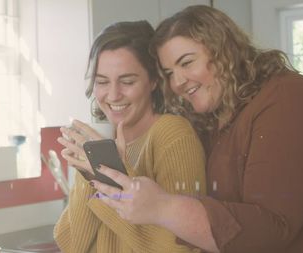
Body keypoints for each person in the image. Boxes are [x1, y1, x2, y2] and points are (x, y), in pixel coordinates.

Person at [91, 5, 303, 253]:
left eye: (187, 62)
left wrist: (164, 208)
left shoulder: (291, 98)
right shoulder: (213, 119)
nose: (177, 82)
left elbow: (271, 229)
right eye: (169, 72)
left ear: (224, 51)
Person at [53, 20, 206, 253]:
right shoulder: (99, 142)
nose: (113, 95)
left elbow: (182, 248)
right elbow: (72, 245)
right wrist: (91, 173)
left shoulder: (172, 133)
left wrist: (111, 176)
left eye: (127, 81)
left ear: (153, 81)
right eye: (102, 82)